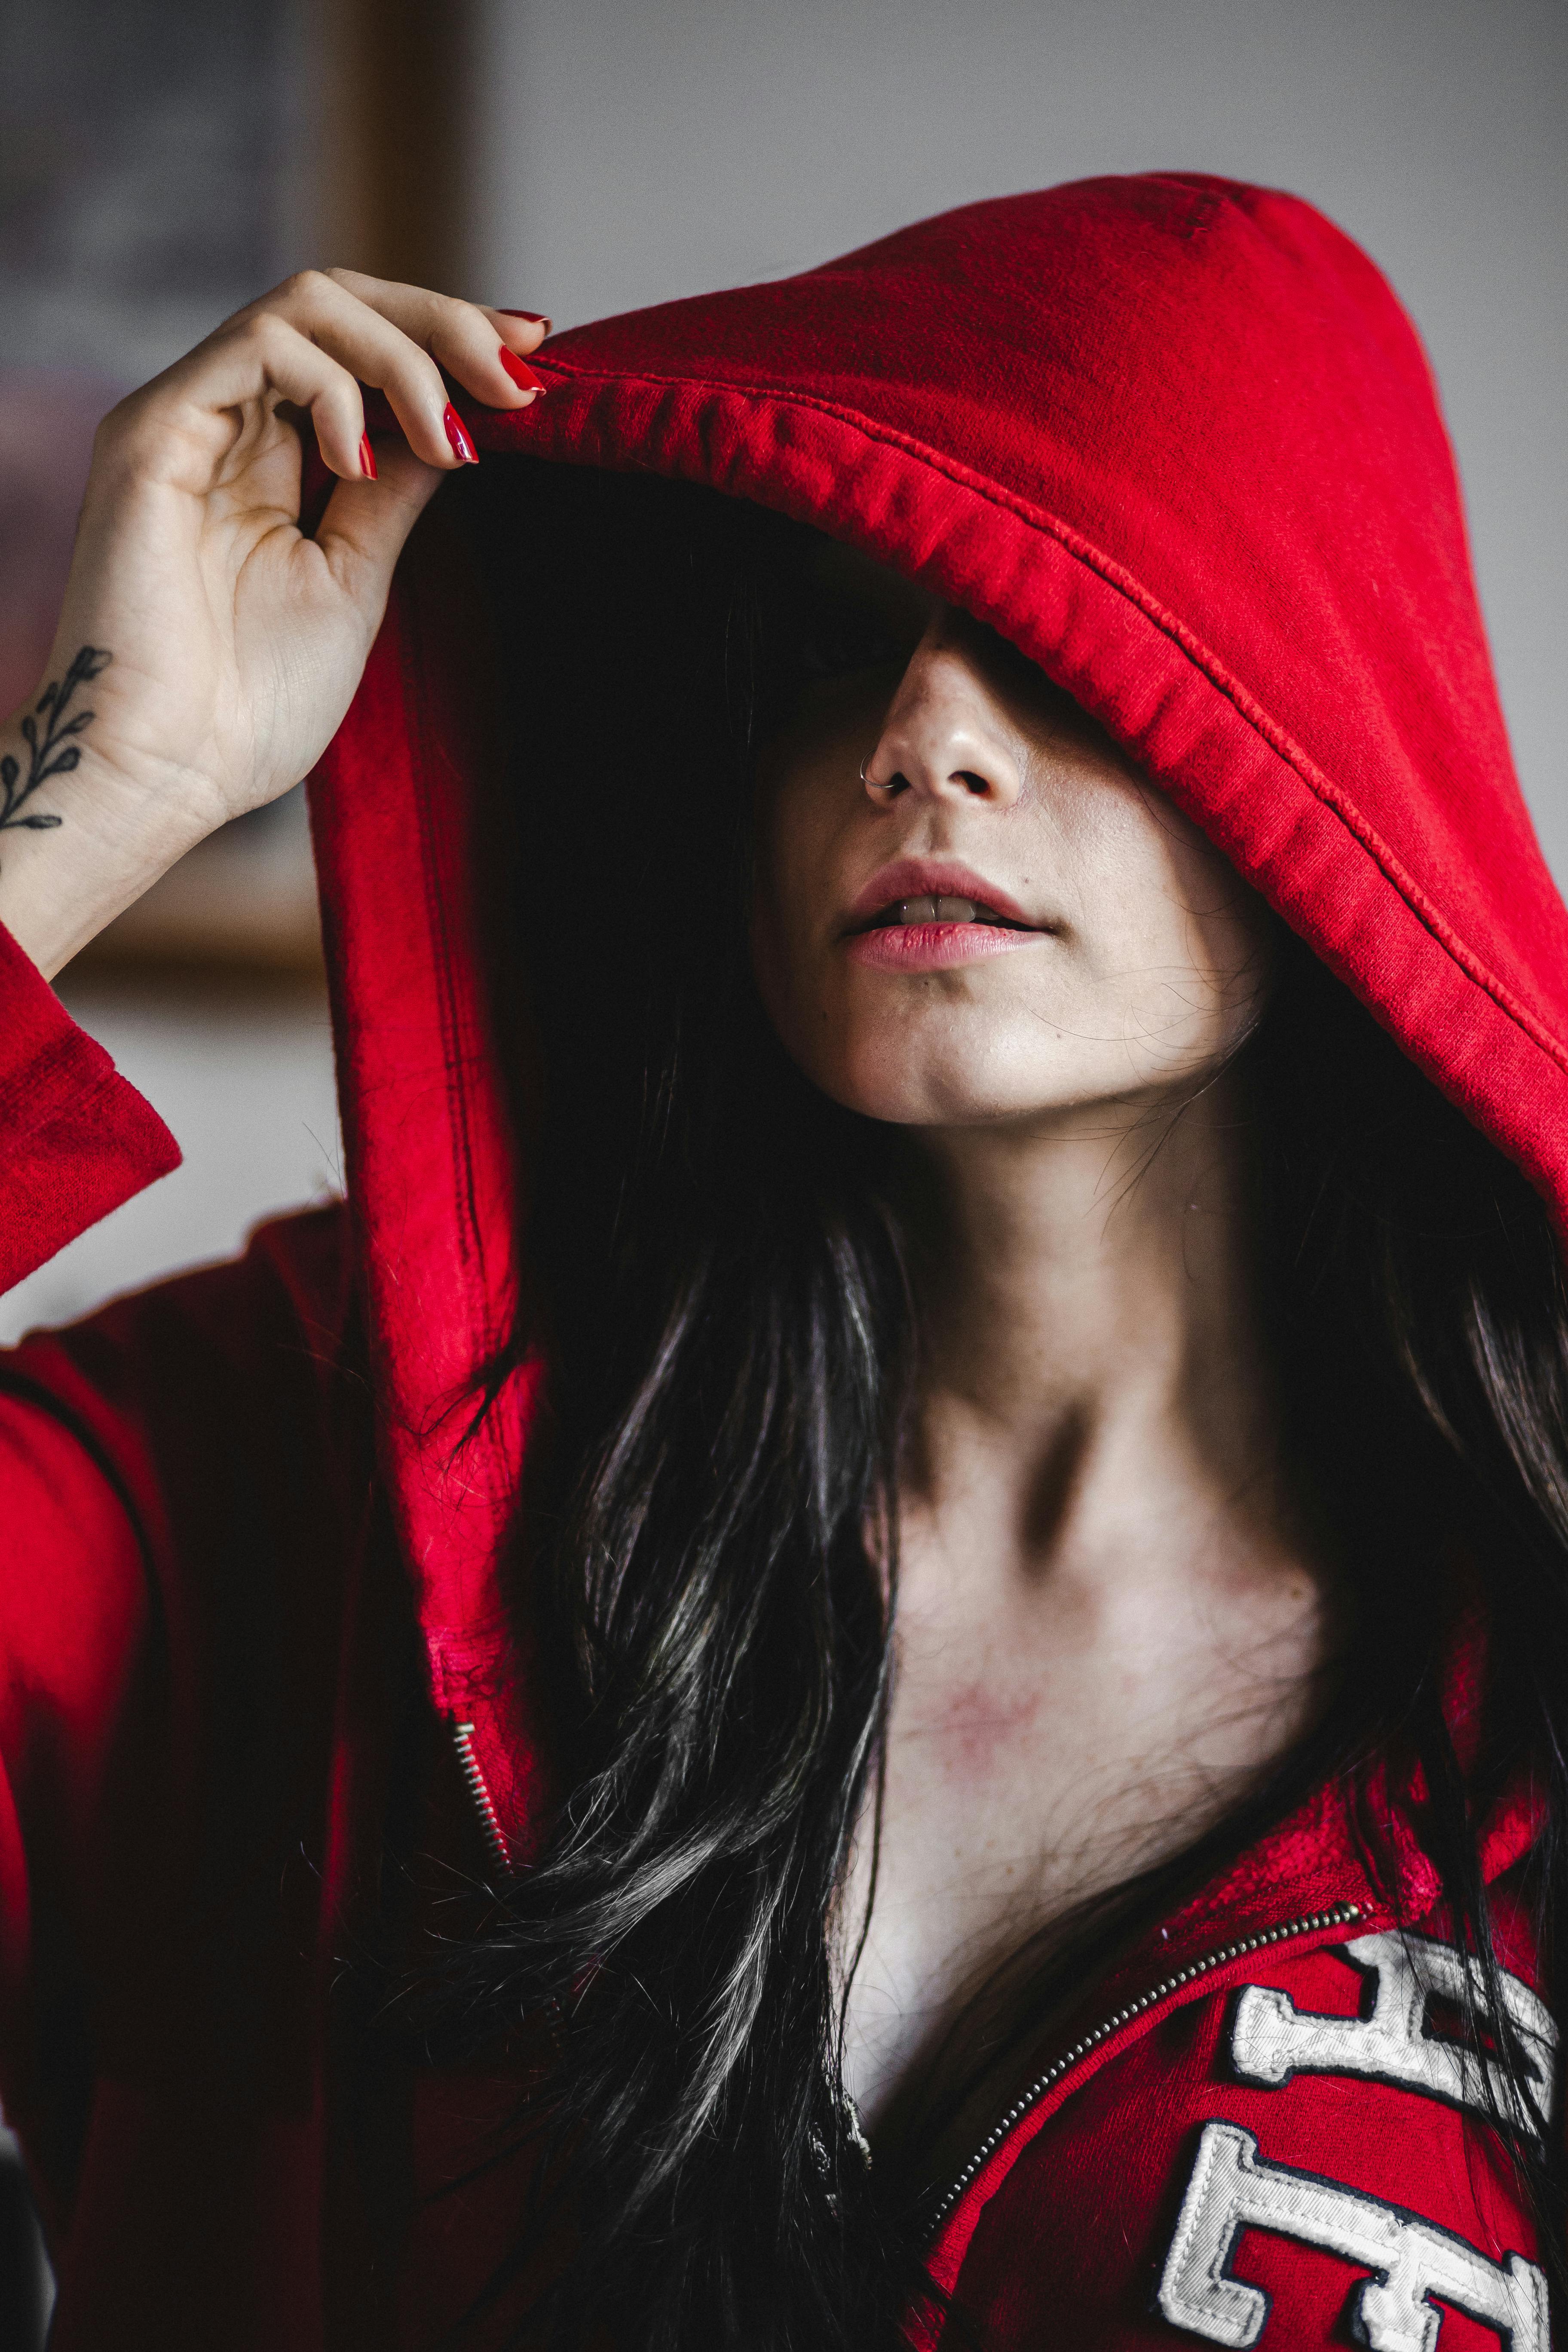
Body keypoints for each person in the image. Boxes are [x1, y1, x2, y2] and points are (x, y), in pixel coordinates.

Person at [0, 171, 1563, 2352]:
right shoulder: (290, 1462)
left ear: (1329, 742)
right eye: (833, 643)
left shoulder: (1522, 1658)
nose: (922, 733)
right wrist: (101, 799)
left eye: (1062, 624)